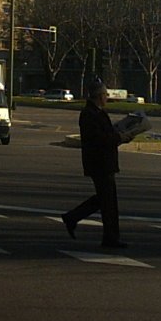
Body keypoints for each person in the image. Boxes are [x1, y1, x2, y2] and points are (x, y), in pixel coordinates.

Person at [61, 78, 130, 248]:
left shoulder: (97, 112)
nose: (107, 97)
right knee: (108, 202)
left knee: (104, 199)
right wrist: (119, 138)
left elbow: (105, 134)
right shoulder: (89, 114)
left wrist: (121, 133)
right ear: (99, 96)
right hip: (99, 162)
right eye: (106, 94)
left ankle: (72, 218)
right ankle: (110, 238)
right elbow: (98, 138)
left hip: (103, 161)